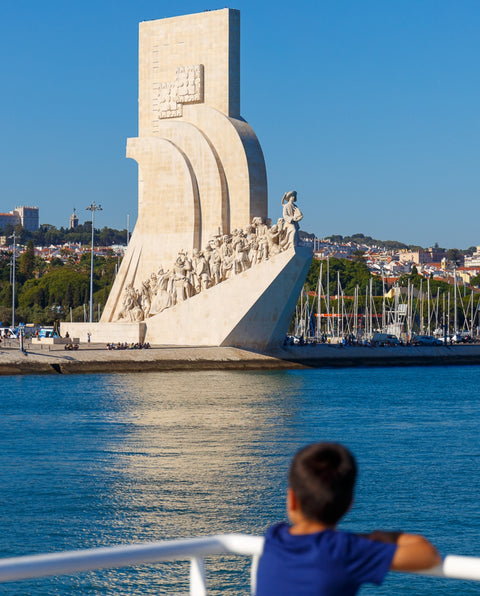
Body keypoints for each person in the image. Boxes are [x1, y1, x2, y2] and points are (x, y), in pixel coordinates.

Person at [256, 442, 440, 595]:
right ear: (350, 504)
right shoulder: (346, 551)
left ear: (291, 500)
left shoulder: (274, 536)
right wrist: (371, 538)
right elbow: (427, 554)